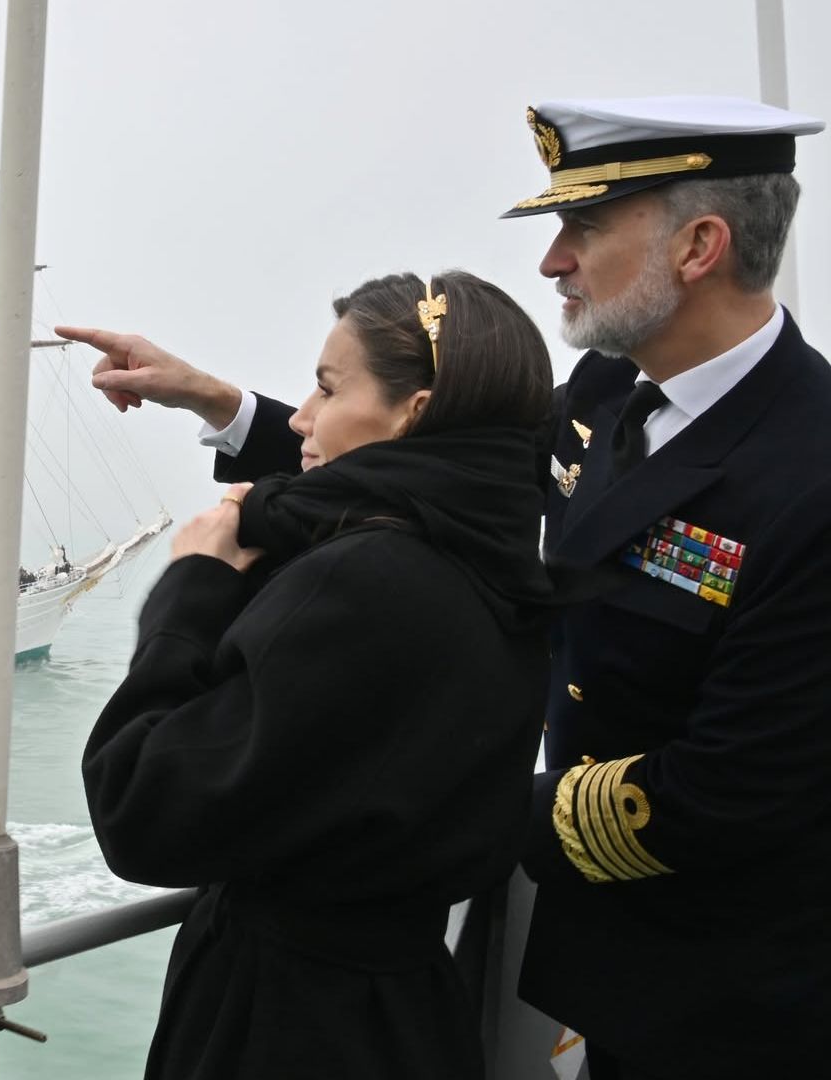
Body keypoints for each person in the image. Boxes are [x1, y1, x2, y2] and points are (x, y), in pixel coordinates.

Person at [61, 95, 831, 1080]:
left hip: (734, 997)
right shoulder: (604, 401)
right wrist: (220, 403)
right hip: (576, 967)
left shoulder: (809, 478)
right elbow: (441, 470)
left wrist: (428, 805)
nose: (553, 258)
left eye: (584, 227)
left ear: (699, 247)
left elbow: (732, 793)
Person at [76, 271, 556, 1079]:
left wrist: (192, 589)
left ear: (416, 411)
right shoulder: (497, 559)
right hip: (408, 1010)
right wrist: (208, 398)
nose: (301, 416)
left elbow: (141, 809)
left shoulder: (362, 582)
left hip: (285, 1026)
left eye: (328, 390)